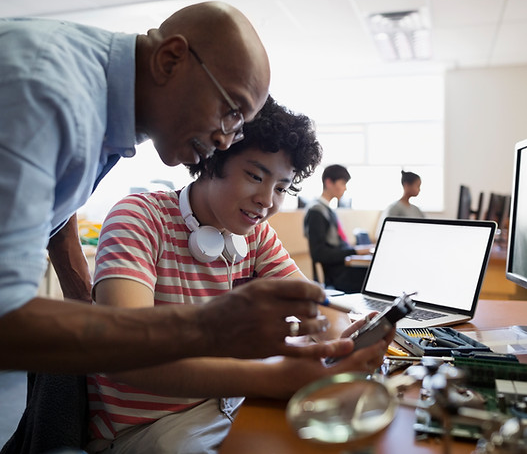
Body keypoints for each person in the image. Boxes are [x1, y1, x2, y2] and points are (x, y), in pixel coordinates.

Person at [0, 1, 351, 376]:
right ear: (170, 60)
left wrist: (80, 294)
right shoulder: (48, 95)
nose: (224, 141)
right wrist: (209, 328)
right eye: (231, 112)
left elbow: (57, 193)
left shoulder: (100, 114)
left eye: (239, 126)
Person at [85, 98, 393, 454]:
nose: (266, 200)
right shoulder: (139, 218)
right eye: (255, 176)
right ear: (213, 159)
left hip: (231, 403)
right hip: (149, 428)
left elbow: (314, 305)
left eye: (281, 187)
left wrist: (347, 338)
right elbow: (127, 357)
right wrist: (272, 379)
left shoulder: (255, 235)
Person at [303, 165, 372, 293]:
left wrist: (356, 251)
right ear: (329, 182)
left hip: (343, 268)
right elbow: (319, 253)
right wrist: (355, 251)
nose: (345, 188)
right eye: (343, 183)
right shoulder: (316, 212)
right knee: (373, 275)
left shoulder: (328, 210)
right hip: (338, 276)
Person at [376, 170, 425, 238]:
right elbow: (382, 234)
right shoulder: (394, 208)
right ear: (406, 185)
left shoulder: (416, 209)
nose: (419, 189)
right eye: (417, 186)